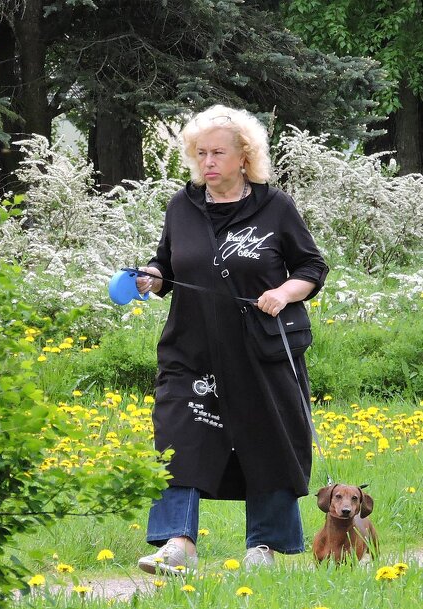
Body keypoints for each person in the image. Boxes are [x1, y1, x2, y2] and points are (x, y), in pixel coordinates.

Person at [134, 105, 328, 574]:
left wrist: (283, 292)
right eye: (200, 153)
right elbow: (168, 266)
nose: (208, 162)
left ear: (244, 156)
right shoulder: (181, 207)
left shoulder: (275, 207)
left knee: (269, 440)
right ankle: (178, 546)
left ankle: (265, 547)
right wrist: (152, 277)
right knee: (180, 438)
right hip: (191, 350)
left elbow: (312, 267)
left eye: (218, 152)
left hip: (260, 351)